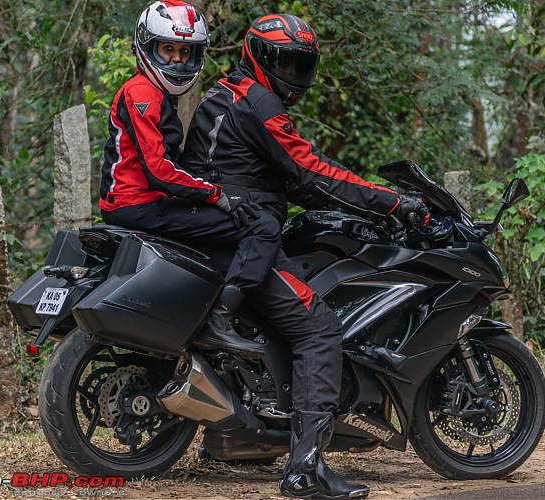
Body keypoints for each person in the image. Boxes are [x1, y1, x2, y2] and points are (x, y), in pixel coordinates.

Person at [182, 13, 430, 499]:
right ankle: (304, 471)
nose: (293, 73)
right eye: (285, 62)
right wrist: (393, 201)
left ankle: (233, 431)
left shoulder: (224, 93)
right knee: (318, 328)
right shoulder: (259, 103)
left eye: (301, 63)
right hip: (238, 235)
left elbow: (283, 178)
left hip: (216, 228)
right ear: (258, 56)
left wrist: (358, 204)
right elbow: (309, 168)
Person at [98, 0, 280, 359]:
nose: (177, 61)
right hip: (139, 205)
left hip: (139, 203)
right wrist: (215, 195)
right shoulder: (141, 93)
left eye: (185, 51)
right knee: (263, 226)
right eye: (168, 49)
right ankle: (220, 318)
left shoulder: (153, 93)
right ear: (147, 47)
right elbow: (159, 170)